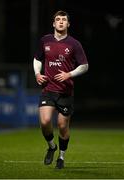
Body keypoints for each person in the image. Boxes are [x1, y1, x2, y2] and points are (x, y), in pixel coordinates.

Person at [33, 10, 88, 169]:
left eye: (64, 20)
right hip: (48, 89)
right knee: (45, 122)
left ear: (68, 24)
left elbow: (85, 65)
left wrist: (69, 74)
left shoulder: (74, 44)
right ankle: (51, 147)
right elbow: (37, 59)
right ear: (53, 23)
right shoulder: (45, 40)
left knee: (63, 126)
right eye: (58, 19)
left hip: (65, 92)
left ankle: (61, 157)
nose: (61, 22)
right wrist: (37, 73)